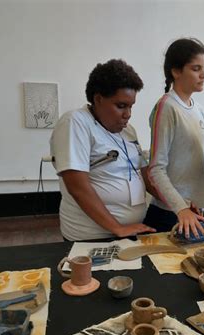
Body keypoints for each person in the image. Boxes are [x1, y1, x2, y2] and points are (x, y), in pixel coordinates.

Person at [50, 59, 156, 241]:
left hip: (127, 233)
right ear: (98, 99)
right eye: (121, 106)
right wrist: (117, 228)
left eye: (131, 106)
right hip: (91, 237)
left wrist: (179, 204)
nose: (128, 114)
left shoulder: (128, 131)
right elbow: (77, 186)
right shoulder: (76, 122)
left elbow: (146, 176)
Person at [144, 38, 204, 237]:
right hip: (171, 214)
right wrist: (180, 209)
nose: (203, 75)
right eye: (196, 68)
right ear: (176, 71)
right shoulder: (167, 107)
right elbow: (155, 169)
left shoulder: (198, 109)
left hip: (193, 211)